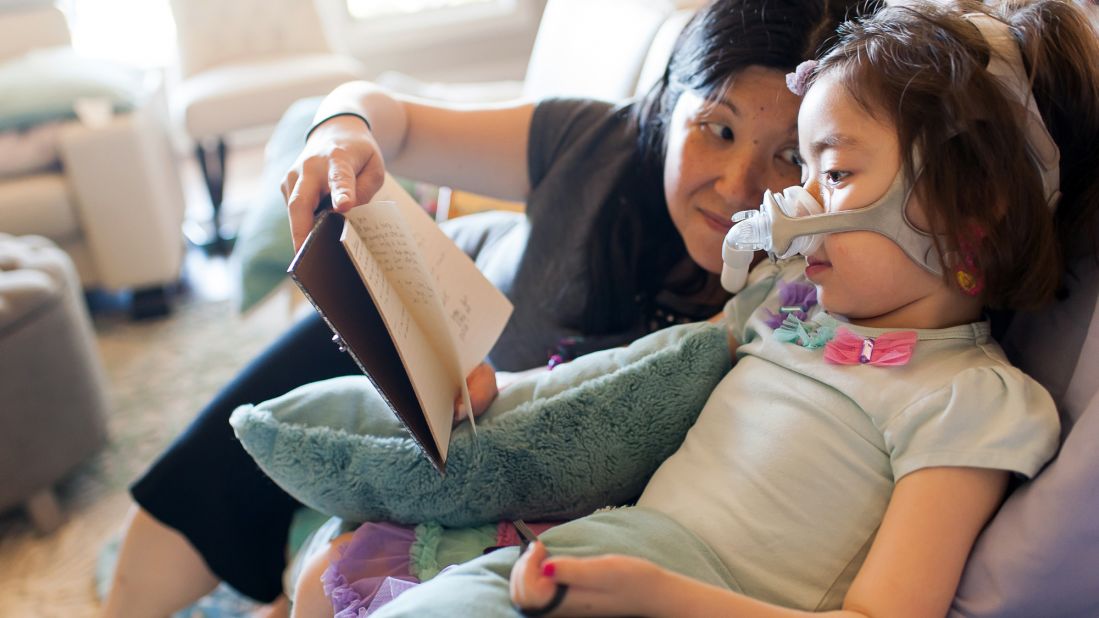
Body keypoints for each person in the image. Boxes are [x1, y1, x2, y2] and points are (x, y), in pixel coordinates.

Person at [284, 1, 1098, 615]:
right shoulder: (782, 306)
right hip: (594, 547)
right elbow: (636, 381)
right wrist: (512, 396)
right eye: (803, 171)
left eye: (832, 173)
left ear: (972, 213)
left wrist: (654, 593)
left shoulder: (973, 405)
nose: (792, 203)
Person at [100, 0, 864, 615]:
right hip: (448, 294)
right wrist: (342, 130)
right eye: (717, 129)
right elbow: (387, 113)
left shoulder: (814, 287)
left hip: (508, 464)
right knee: (176, 528)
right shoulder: (589, 141)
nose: (737, 186)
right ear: (670, 104)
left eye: (789, 157)